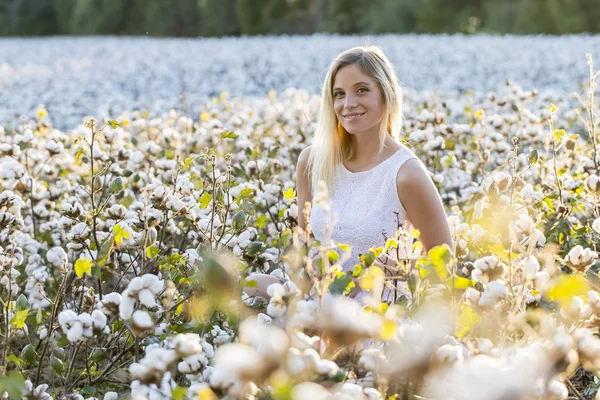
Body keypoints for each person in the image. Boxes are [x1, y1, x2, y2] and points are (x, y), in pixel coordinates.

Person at [246, 45, 452, 302]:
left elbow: (443, 263)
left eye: (362, 90)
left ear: (386, 95)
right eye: (339, 94)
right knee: (247, 285)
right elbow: (306, 261)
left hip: (378, 318)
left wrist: (375, 278)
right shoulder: (312, 162)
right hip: (320, 310)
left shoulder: (406, 173)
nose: (348, 104)